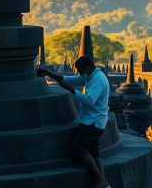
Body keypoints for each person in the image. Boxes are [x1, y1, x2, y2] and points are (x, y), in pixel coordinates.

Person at [37, 56, 111, 188]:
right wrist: (49, 73)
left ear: (88, 68)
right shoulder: (90, 75)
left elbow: (89, 100)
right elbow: (73, 79)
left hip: (93, 122)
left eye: (80, 70)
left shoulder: (98, 80)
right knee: (94, 151)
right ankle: (104, 182)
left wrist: (70, 89)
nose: (79, 73)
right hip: (92, 120)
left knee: (78, 147)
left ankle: (100, 179)